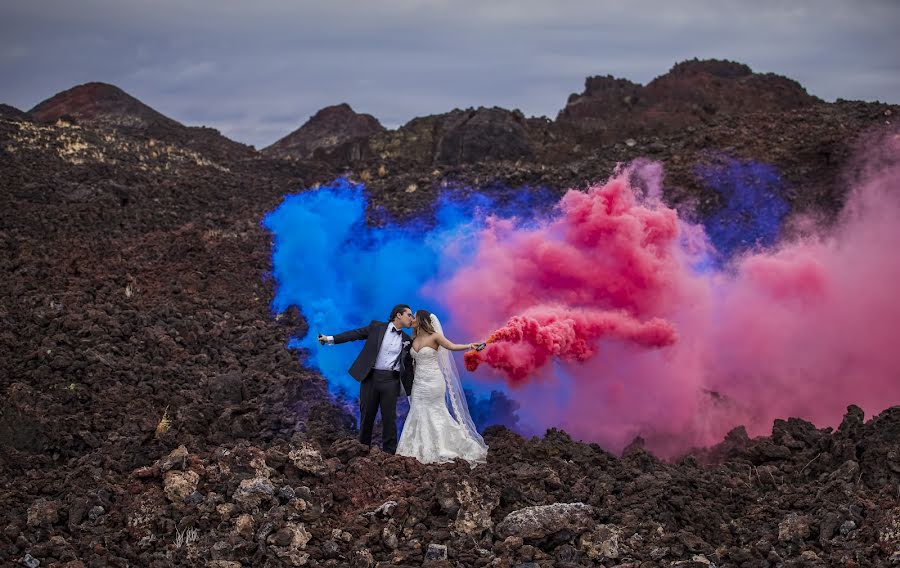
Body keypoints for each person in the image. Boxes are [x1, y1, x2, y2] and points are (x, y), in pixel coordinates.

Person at [396, 309, 488, 465]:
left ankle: (443, 446)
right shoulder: (414, 338)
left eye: (415, 317)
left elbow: (451, 346)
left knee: (436, 411)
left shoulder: (435, 337)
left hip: (434, 382)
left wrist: (470, 346)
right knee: (417, 411)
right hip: (418, 383)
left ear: (422, 320)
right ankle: (417, 448)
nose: (412, 320)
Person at [318, 304, 414, 454]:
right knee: (367, 416)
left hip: (391, 381)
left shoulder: (408, 340)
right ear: (398, 315)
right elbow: (354, 334)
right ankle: (362, 451)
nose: (412, 319)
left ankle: (389, 454)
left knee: (390, 419)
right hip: (371, 378)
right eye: (409, 315)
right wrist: (330, 339)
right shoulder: (376, 327)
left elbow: (411, 364)